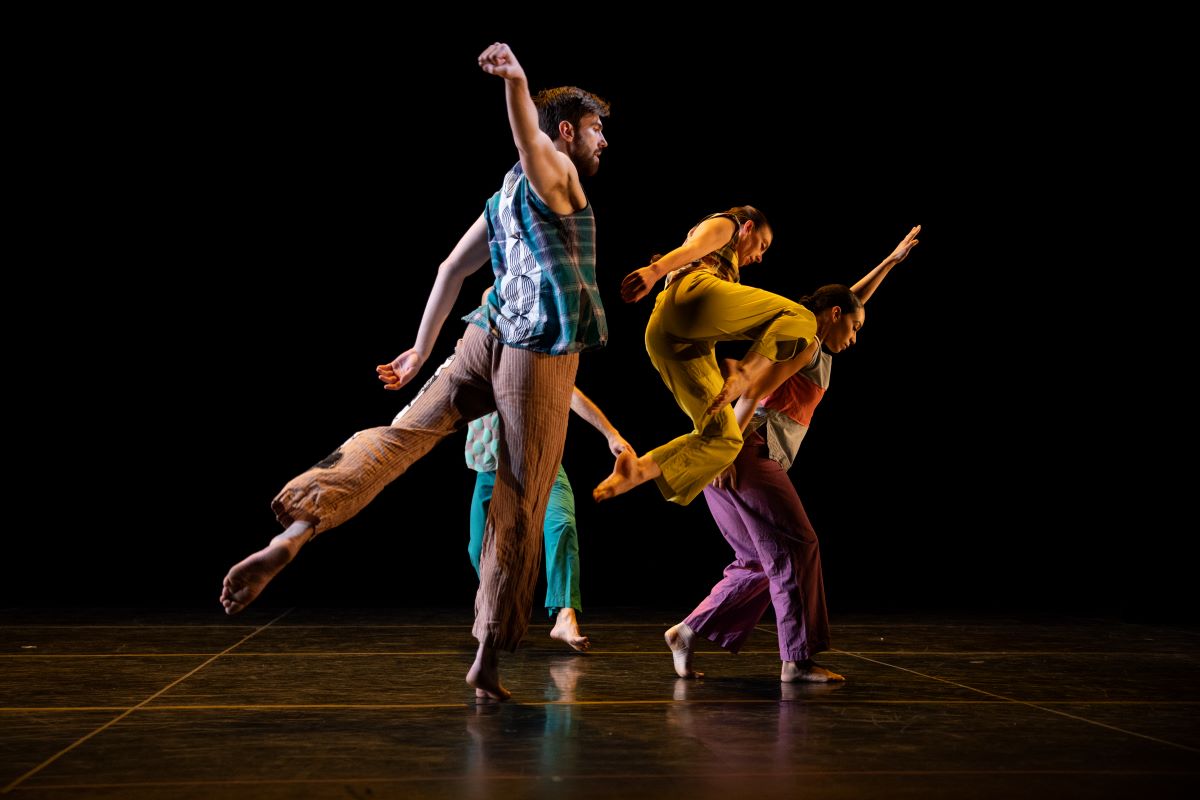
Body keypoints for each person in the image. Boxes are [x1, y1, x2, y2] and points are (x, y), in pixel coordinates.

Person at [219, 42, 610, 702]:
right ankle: (487, 661)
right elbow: (532, 144)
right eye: (598, 131)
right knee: (521, 498)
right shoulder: (553, 173)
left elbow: (449, 270)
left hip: (479, 336)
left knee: (399, 436)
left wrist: (421, 350)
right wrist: (516, 85)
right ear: (566, 131)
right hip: (535, 353)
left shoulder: (502, 197)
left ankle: (295, 531)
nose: (605, 144)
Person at [664, 225, 921, 683]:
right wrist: (726, 453)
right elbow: (752, 391)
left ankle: (689, 630)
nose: (856, 338)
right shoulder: (801, 339)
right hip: (745, 451)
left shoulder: (809, 336)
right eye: (855, 327)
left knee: (759, 562)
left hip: (724, 454)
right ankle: (798, 662)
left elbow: (850, 299)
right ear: (834, 315)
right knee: (799, 546)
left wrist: (889, 263)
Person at [593, 206, 819, 507]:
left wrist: (661, 268)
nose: (760, 256)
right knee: (802, 318)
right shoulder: (727, 224)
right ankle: (746, 372)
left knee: (725, 437)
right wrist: (654, 271)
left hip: (669, 339)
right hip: (691, 298)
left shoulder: (726, 272)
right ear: (748, 228)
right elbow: (695, 248)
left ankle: (640, 469)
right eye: (762, 245)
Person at [463, 383, 632, 652]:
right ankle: (499, 608)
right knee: (478, 549)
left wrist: (611, 434)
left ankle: (565, 615)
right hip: (492, 468)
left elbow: (570, 393)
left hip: (540, 460)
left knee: (562, 524)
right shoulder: (473, 360)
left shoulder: (531, 354)